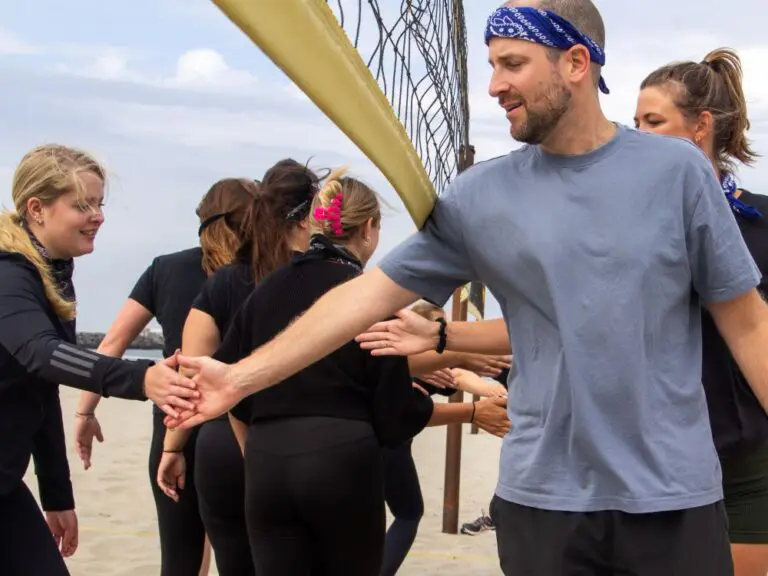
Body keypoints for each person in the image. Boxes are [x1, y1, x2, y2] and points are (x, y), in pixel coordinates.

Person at [169, 0, 768, 573]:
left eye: (513, 63)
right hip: (543, 501)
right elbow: (362, 298)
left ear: (576, 64)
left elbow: (747, 323)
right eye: (490, 65)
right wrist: (239, 376)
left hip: (673, 498)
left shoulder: (676, 172)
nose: (495, 85)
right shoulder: (480, 196)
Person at [184, 168, 509, 574]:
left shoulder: (266, 288)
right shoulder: (369, 299)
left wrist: (257, 456)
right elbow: (394, 417)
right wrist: (450, 396)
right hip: (339, 457)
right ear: (369, 229)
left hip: (267, 460)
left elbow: (231, 387)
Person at [0, 144, 197, 576]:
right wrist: (142, 378)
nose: (98, 216)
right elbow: (41, 354)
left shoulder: (49, 272)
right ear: (37, 209)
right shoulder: (9, 274)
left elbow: (38, 390)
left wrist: (56, 495)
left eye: (99, 203)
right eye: (82, 205)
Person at [73, 177, 260, 576]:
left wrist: (84, 413)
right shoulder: (267, 270)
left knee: (180, 555)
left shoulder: (167, 268)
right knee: (247, 554)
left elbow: (113, 343)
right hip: (251, 421)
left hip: (178, 416)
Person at [635, 48, 768, 576]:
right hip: (656, 459)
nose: (636, 135)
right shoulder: (629, 228)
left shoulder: (760, 222)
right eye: (634, 121)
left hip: (748, 458)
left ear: (700, 127)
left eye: (652, 121)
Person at [157, 159, 320, 575]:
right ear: (307, 217)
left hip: (220, 448)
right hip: (292, 442)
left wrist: (172, 448)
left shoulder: (223, 282)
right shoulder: (319, 282)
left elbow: (191, 378)